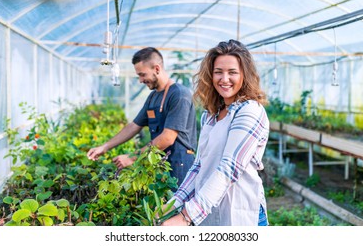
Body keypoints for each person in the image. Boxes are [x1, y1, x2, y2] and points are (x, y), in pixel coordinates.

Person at [161, 39, 270, 226]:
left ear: (245, 75)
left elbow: (229, 168)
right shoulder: (211, 115)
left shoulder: (250, 111)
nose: (224, 79)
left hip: (240, 213)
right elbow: (198, 167)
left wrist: (187, 216)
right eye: (218, 72)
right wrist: (173, 204)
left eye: (232, 72)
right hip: (209, 212)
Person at [87, 47, 197, 186]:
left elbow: (167, 138)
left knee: (177, 206)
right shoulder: (154, 96)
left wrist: (132, 158)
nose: (140, 80)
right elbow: (134, 125)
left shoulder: (179, 95)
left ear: (157, 69)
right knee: (162, 205)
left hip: (179, 163)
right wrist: (105, 147)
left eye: (142, 74)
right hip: (160, 162)